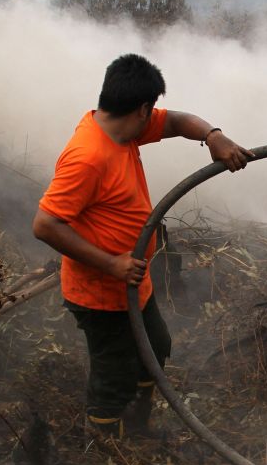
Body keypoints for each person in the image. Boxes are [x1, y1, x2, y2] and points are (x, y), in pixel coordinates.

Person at [33, 53, 252, 438]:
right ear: (140, 108)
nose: (153, 118)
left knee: (156, 346)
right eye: (150, 111)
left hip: (134, 284)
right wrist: (110, 264)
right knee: (114, 376)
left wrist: (214, 137)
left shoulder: (121, 127)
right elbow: (45, 225)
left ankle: (139, 422)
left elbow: (178, 121)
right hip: (101, 294)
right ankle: (107, 453)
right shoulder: (87, 157)